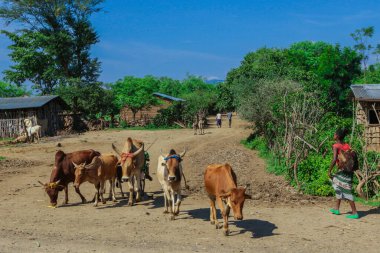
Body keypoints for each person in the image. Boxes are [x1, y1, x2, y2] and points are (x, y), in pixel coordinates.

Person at [328, 128, 358, 219]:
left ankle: (354, 213)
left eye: (334, 134)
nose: (333, 135)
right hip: (348, 171)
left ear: (337, 136)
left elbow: (334, 159)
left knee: (346, 190)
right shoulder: (346, 145)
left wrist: (329, 170)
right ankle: (336, 208)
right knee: (338, 185)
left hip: (343, 171)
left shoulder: (336, 146)